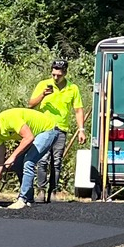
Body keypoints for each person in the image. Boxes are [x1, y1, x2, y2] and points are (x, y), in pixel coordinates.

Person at [25, 57, 88, 200]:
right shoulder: (43, 84)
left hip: (61, 129)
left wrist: (81, 129)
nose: (55, 78)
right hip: (44, 128)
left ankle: (53, 191)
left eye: (59, 75)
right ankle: (40, 190)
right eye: (53, 74)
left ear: (65, 73)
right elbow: (30, 104)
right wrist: (43, 95)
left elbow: (78, 110)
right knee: (42, 159)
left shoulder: (73, 88)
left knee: (57, 161)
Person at [0, 106, 55, 208]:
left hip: (47, 130)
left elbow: (29, 137)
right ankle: (29, 199)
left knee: (28, 162)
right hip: (33, 135)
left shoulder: (10, 118)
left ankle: (23, 199)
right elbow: (0, 159)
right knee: (17, 164)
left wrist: (12, 156)